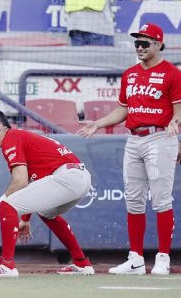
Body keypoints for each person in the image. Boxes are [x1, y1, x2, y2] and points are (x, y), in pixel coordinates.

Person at [77, 23, 181, 275]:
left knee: (160, 199)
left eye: (145, 43)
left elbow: (179, 109)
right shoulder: (130, 74)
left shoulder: (172, 73)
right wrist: (99, 123)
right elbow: (123, 109)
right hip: (133, 138)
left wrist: (177, 132)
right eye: (137, 43)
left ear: (158, 44)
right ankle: (135, 258)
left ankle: (163, 257)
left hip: (160, 137)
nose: (140, 47)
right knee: (133, 200)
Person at [0, 109, 94, 277]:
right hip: (80, 178)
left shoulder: (11, 138)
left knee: (6, 205)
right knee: (46, 213)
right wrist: (25, 219)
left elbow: (20, 181)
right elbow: (34, 184)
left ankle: (6, 265)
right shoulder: (18, 137)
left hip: (68, 177)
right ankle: (82, 263)